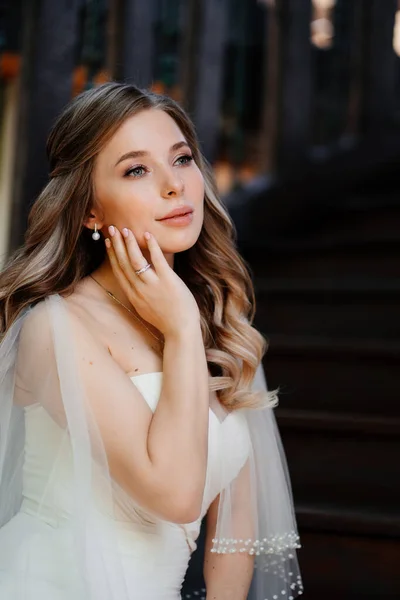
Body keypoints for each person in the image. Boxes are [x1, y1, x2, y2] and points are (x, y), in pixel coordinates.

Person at [0, 82, 302, 600]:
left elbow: (233, 539)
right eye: (136, 169)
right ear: (90, 209)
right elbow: (177, 495)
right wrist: (181, 328)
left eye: (182, 160)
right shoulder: (56, 326)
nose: (174, 186)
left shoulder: (224, 327)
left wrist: (192, 321)